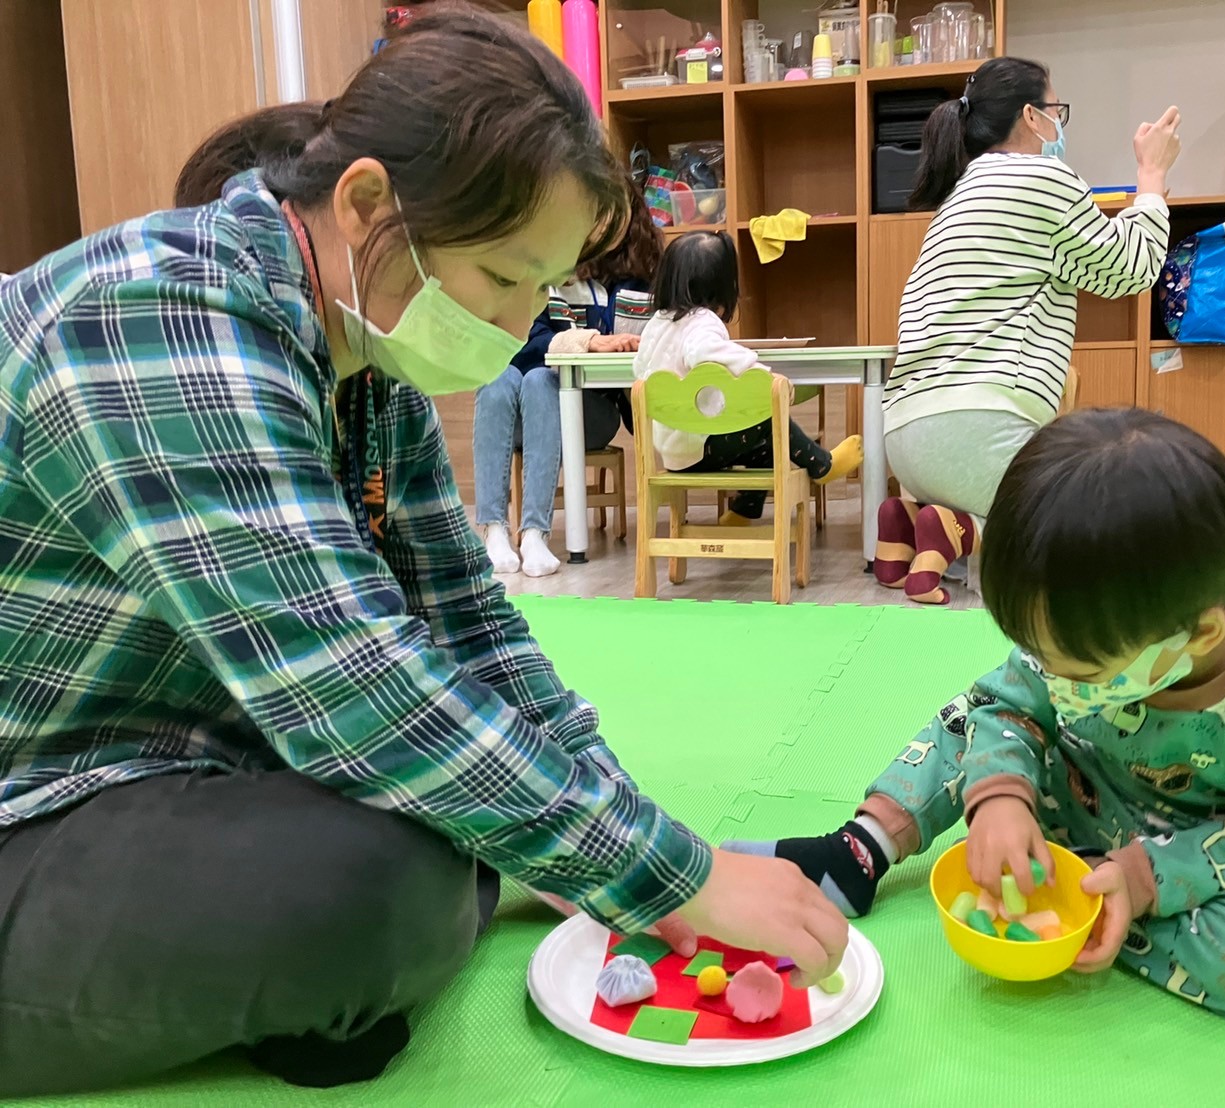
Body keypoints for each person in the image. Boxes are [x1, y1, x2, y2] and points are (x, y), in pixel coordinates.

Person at [0, 6, 845, 1096]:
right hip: (38, 797)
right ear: (363, 206)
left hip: (160, 763)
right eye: (499, 277)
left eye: (539, 290)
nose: (511, 322)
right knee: (378, 879)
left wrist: (632, 835)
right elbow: (354, 683)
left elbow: (467, 619)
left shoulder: (361, 352)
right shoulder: (156, 315)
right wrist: (660, 871)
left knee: (439, 821)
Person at [734, 409, 1225, 1024]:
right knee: (973, 718)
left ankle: (1089, 901)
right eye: (1040, 652)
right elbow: (1007, 706)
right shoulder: (1109, 623)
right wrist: (998, 799)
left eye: (1079, 669)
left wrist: (1143, 878)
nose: (1052, 674)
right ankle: (862, 848)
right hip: (1090, 792)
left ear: (1198, 634)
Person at [876, 57, 1180, 604]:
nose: (1058, 124)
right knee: (1080, 519)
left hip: (905, 440)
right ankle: (960, 530)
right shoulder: (1040, 177)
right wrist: (1152, 178)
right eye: (1055, 110)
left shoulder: (958, 196)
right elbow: (1130, 269)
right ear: (1032, 117)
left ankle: (909, 523)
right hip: (976, 434)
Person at [474, 177, 661, 577]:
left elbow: (640, 351)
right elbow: (521, 340)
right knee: (501, 375)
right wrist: (588, 341)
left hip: (592, 413)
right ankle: (493, 528)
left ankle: (535, 534)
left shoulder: (637, 282)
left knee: (542, 380)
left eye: (611, 217)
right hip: (521, 412)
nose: (600, 228)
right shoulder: (545, 274)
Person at [633, 230, 862, 523]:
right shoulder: (702, 322)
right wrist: (766, 378)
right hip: (702, 449)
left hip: (673, 453)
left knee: (764, 448)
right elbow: (712, 353)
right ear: (722, 286)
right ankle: (822, 465)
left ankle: (744, 510)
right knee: (766, 419)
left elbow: (640, 370)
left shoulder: (656, 324)